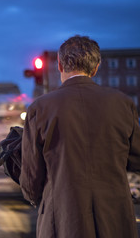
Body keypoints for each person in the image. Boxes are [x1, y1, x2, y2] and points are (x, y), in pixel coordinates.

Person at [19, 35, 140, 238]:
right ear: (96, 67)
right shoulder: (123, 103)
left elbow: (31, 177)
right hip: (114, 216)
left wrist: (39, 198)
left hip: (62, 217)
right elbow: (136, 159)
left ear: (59, 65)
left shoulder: (40, 108)